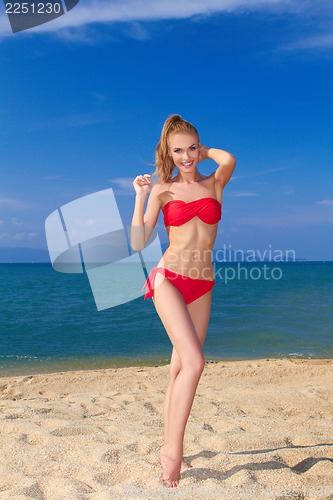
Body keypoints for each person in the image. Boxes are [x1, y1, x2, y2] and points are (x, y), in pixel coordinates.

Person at [130, 114, 236, 487]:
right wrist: (142, 196)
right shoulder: (161, 190)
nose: (187, 156)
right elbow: (138, 242)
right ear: (168, 153)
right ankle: (173, 453)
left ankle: (167, 446)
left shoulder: (214, 183)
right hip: (169, 278)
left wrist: (205, 152)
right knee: (194, 362)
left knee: (178, 369)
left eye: (192, 148)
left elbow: (228, 160)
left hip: (203, 284)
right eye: (179, 150)